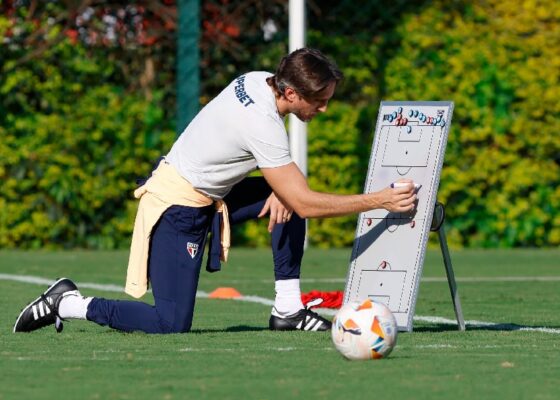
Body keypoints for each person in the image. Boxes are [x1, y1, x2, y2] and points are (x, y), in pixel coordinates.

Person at [13, 48, 417, 334]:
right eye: (320, 101)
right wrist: (378, 200)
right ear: (291, 93)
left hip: (213, 194)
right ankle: (68, 303)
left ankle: (288, 310)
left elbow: (292, 194)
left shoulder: (259, 80)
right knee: (169, 323)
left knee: (289, 196)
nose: (324, 108)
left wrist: (285, 192)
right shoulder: (262, 122)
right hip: (178, 207)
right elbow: (306, 205)